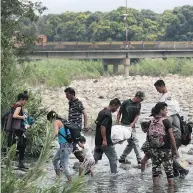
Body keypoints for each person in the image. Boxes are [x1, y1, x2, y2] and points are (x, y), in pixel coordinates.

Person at [154, 80, 189, 178]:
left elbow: (169, 124)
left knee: (168, 156)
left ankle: (182, 170)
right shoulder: (166, 99)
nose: (157, 91)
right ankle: (176, 174)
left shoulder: (168, 103)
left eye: (157, 88)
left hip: (175, 135)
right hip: (174, 134)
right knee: (169, 156)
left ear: (162, 86)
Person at [147, 102, 179, 186]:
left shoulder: (150, 121)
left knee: (155, 172)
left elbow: (148, 137)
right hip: (165, 150)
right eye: (165, 109)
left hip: (154, 150)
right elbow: (172, 138)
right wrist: (175, 150)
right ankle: (171, 190)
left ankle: (155, 190)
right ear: (161, 110)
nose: (167, 111)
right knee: (169, 173)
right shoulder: (166, 121)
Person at [117, 91, 145, 167]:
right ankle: (140, 160)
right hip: (124, 125)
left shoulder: (139, 104)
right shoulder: (126, 102)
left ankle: (122, 158)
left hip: (132, 126)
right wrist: (117, 123)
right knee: (135, 142)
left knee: (132, 143)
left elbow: (137, 115)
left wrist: (133, 123)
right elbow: (119, 112)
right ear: (137, 97)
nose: (141, 101)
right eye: (141, 99)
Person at [94, 98, 121, 174]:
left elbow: (97, 122)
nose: (116, 110)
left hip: (98, 141)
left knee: (95, 159)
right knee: (113, 159)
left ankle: (85, 174)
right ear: (113, 105)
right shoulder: (108, 114)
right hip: (106, 142)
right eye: (117, 107)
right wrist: (105, 140)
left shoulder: (102, 112)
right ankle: (114, 177)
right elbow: (103, 126)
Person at [47, 111, 73, 183]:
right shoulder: (63, 120)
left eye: (50, 121)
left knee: (64, 165)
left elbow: (55, 133)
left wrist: (48, 141)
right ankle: (58, 177)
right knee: (54, 160)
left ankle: (70, 181)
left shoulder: (56, 122)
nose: (50, 123)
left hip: (64, 146)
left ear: (51, 118)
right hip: (68, 145)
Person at [7, 91, 29, 168]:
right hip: (18, 129)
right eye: (25, 100)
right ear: (21, 99)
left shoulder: (14, 105)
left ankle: (11, 161)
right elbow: (15, 115)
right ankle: (20, 163)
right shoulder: (18, 106)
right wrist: (23, 117)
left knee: (17, 145)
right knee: (22, 145)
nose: (25, 102)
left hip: (14, 128)